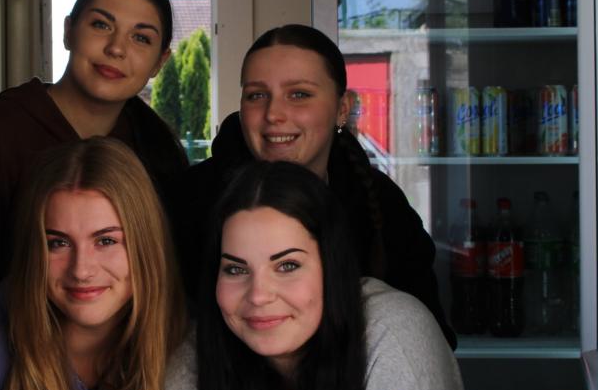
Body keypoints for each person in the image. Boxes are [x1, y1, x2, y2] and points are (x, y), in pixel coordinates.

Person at [143, 161, 492, 390]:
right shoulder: (194, 353)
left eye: (287, 266)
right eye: (235, 269)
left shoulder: (396, 336)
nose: (259, 295)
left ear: (333, 268)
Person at [173, 24, 454, 347]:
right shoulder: (190, 201)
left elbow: (429, 339)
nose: (274, 114)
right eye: (257, 95)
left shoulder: (381, 202)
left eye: (299, 94)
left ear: (342, 108)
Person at [0, 137, 185, 390]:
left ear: (146, 245)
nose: (81, 270)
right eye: (57, 243)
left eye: (106, 241)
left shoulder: (185, 347)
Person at [0, 0, 188, 298]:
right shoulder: (0, 129)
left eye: (140, 38)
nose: (116, 48)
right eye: (101, 25)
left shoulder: (156, 149)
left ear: (160, 61)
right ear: (69, 31)